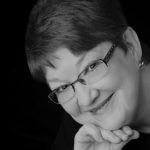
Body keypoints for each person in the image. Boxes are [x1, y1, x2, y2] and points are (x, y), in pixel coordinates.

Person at [25, 0, 150, 149]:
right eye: (63, 87)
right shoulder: (83, 130)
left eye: (91, 67)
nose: (85, 100)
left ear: (131, 46)